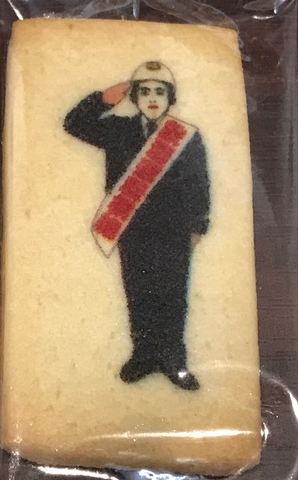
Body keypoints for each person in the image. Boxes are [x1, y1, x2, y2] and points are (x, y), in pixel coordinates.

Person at [63, 61, 210, 391]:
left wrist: (198, 225)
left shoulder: (185, 136)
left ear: (170, 97)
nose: (152, 98)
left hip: (173, 227)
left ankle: (173, 359)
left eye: (160, 92)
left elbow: (198, 182)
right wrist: (103, 99)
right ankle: (144, 356)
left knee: (172, 293)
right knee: (138, 289)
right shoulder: (119, 130)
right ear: (135, 96)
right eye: (144, 91)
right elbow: (73, 124)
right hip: (131, 225)